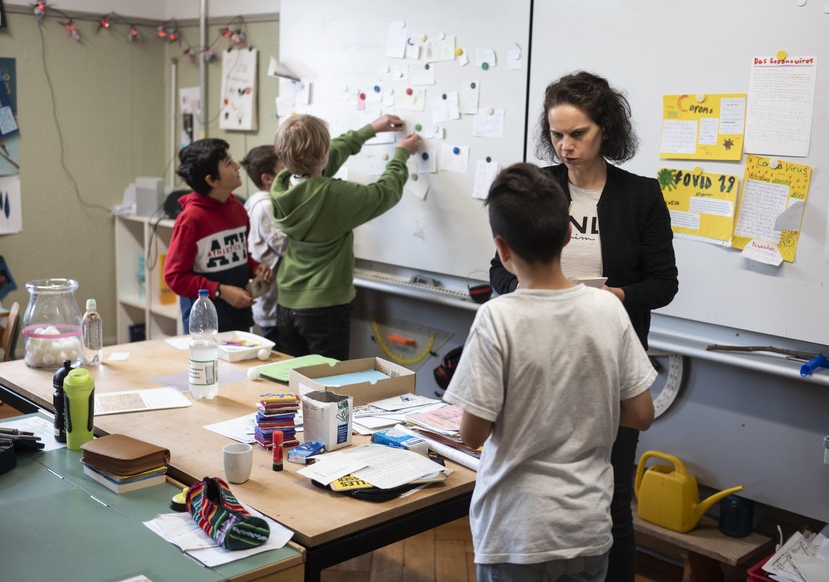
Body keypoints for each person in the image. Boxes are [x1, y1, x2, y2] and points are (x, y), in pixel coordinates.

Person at [489, 71, 678, 581]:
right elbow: (497, 270)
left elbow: (664, 284)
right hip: (536, 364)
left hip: (608, 366)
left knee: (613, 502)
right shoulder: (537, 188)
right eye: (556, 135)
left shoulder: (640, 196)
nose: (565, 147)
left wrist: (614, 298)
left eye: (578, 134)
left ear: (606, 131)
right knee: (530, 488)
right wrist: (536, 301)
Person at [445, 162, 657, 582]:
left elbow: (472, 434)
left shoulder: (496, 318)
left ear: (502, 250)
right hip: (587, 527)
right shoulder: (608, 307)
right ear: (568, 234)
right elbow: (641, 415)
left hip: (516, 531)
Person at [270, 113, 421, 360]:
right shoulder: (335, 196)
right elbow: (384, 193)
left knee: (292, 385)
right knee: (328, 389)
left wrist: (370, 129)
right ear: (324, 152)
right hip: (324, 308)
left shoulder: (282, 187)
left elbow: (323, 160)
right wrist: (401, 155)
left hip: (287, 303)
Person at [164, 138, 274, 333]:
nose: (237, 165)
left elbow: (237, 256)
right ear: (212, 180)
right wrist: (220, 290)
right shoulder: (190, 220)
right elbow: (175, 277)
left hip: (239, 317)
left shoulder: (238, 210)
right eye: (228, 163)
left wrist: (255, 268)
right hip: (204, 325)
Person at [241, 145, 287, 343]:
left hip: (271, 300)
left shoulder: (257, 201)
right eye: (284, 170)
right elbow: (285, 244)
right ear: (267, 179)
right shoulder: (266, 206)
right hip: (271, 303)